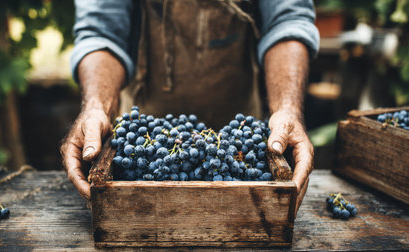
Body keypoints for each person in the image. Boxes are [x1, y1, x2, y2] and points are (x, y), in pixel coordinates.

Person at [61, 0, 319, 213]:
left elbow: (287, 21)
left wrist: (287, 109)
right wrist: (96, 107)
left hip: (240, 139)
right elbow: (101, 32)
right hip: (144, 137)